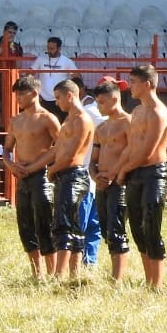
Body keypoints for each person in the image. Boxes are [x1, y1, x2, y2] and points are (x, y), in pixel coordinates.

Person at [2, 76, 62, 280]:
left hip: (41, 176)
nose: (18, 98)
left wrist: (38, 164)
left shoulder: (47, 118)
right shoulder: (16, 120)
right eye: (17, 94)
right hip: (22, 175)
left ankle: (53, 272)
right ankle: (37, 273)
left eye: (21, 94)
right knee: (25, 225)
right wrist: (11, 165)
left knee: (44, 223)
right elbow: (7, 149)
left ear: (34, 94)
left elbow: (60, 146)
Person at [118, 64, 167, 289]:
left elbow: (148, 150)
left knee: (151, 225)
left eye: (133, 82)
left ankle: (157, 284)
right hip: (134, 172)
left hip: (152, 173)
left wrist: (123, 170)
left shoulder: (158, 112)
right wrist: (118, 168)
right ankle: (148, 278)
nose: (130, 87)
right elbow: (132, 146)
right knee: (138, 228)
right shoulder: (137, 111)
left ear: (147, 84)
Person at [40, 80, 97, 280]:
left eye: (58, 98)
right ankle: (73, 273)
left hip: (74, 174)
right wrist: (37, 165)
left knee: (66, 225)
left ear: (69, 96)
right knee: (69, 224)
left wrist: (52, 169)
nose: (56, 103)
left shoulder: (82, 119)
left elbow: (71, 155)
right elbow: (58, 149)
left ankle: (61, 273)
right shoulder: (68, 119)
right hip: (65, 174)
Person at [89, 77, 133, 281]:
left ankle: (118, 277)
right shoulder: (101, 128)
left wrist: (113, 174)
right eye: (97, 102)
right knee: (106, 229)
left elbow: (131, 152)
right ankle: (114, 273)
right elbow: (93, 159)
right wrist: (95, 175)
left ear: (115, 99)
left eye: (102, 102)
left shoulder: (129, 123)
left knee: (116, 229)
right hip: (102, 183)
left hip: (120, 182)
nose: (99, 107)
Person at [32, 37, 77, 120]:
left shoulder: (67, 61)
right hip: (43, 99)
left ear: (59, 48)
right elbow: (30, 76)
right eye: (48, 48)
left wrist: (69, 94)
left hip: (60, 100)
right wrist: (36, 93)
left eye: (52, 48)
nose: (49, 50)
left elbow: (77, 78)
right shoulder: (41, 59)